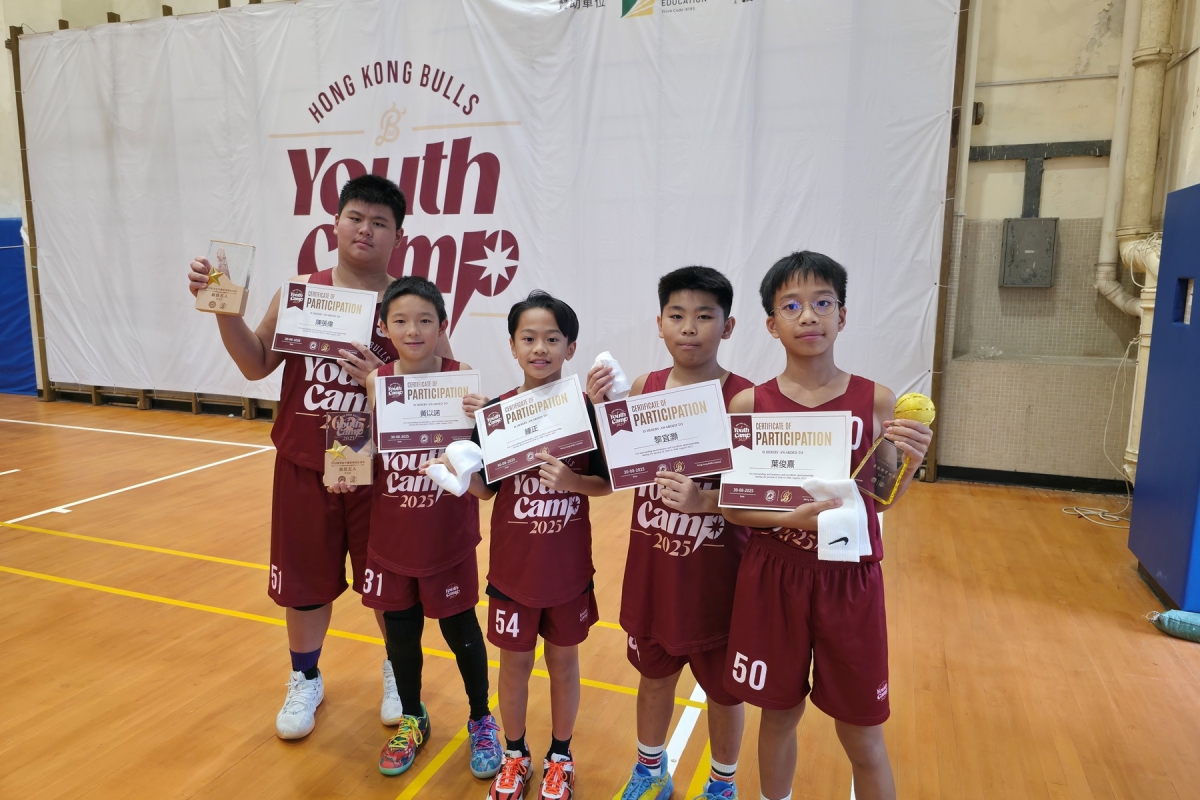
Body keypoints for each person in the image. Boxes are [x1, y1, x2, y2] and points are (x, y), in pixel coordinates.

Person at [186, 174, 450, 740]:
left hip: (381, 471)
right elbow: (256, 364)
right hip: (306, 464)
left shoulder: (409, 307)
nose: (365, 230)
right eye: (356, 217)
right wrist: (224, 309)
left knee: (390, 586)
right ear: (335, 223)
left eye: (379, 223)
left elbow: (440, 393)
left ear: (398, 237)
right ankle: (304, 676)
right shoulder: (301, 293)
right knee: (304, 584)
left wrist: (384, 382)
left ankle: (398, 672)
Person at [719, 252, 932, 800]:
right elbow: (735, 506)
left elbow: (879, 500)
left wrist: (909, 463)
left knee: (862, 732)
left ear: (842, 315)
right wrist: (789, 518)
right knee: (778, 716)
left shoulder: (877, 400)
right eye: (791, 306)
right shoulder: (749, 404)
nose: (808, 315)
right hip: (775, 574)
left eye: (822, 303)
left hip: (849, 578)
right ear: (772, 324)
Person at [427, 291, 610, 800]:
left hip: (568, 571)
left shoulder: (584, 410)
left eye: (552, 338)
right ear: (512, 346)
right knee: (513, 666)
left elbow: (606, 484)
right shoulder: (497, 414)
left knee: (564, 665)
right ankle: (514, 754)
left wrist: (572, 483)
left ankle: (560, 756)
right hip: (513, 571)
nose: (540, 348)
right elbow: (486, 489)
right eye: (528, 338)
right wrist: (455, 473)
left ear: (571, 347)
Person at [586, 267, 751, 800]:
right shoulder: (644, 389)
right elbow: (622, 467)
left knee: (724, 693)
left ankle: (722, 782)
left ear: (728, 327)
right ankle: (650, 770)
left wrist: (706, 501)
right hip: (655, 568)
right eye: (677, 316)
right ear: (659, 324)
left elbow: (759, 496)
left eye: (704, 316)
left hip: (719, 579)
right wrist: (604, 411)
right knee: (653, 679)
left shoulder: (747, 399)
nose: (689, 328)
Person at [362, 276, 501, 778]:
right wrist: (343, 470)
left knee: (462, 631)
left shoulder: (462, 380)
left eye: (425, 320)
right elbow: (361, 450)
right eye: (400, 320)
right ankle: (413, 717)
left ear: (442, 326)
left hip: (447, 537)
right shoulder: (376, 382)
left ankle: (481, 718)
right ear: (384, 327)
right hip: (392, 535)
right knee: (400, 637)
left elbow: (486, 468)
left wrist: (486, 420)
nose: (413, 330)